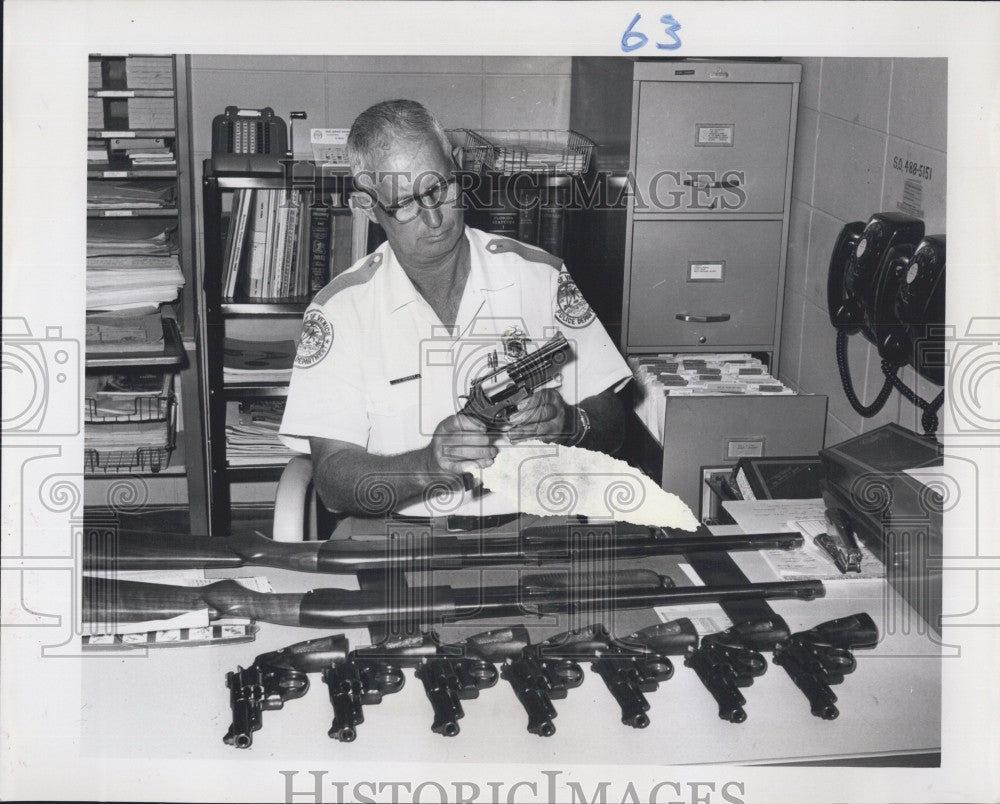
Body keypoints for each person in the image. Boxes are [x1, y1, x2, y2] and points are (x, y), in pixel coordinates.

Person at [279, 100, 632, 518]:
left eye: (438, 188)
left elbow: (614, 422)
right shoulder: (340, 311)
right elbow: (334, 480)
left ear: (457, 165)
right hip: (398, 537)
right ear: (369, 207)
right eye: (406, 204)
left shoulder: (541, 277)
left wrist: (570, 422)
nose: (433, 218)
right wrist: (426, 467)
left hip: (533, 531)